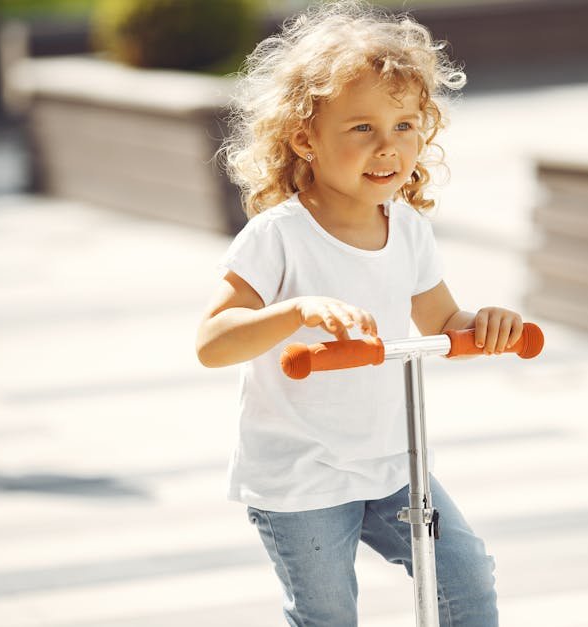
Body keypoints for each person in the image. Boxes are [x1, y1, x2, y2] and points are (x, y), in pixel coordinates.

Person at [196, 2, 523, 625]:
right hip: (301, 475)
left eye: (405, 125)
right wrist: (293, 312)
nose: (388, 147)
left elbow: (442, 321)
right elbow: (213, 342)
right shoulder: (278, 237)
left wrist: (483, 325)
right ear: (304, 137)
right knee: (328, 616)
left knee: (465, 579)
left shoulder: (408, 229)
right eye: (361, 128)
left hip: (392, 463)